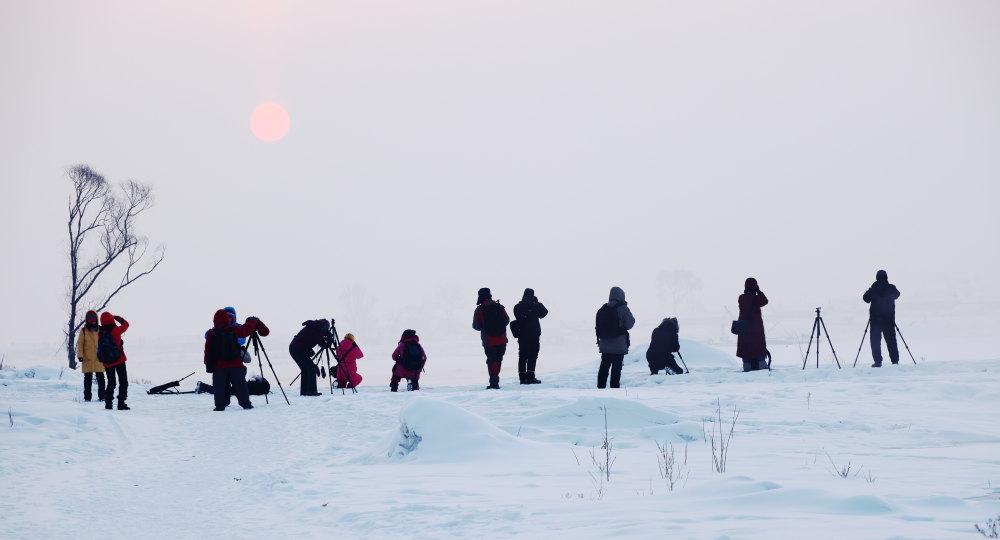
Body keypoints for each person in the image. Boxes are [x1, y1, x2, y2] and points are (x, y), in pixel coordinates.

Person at [204, 309, 269, 411]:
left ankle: (220, 406)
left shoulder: (211, 333)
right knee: (240, 385)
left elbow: (207, 350)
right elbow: (245, 331)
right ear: (226, 319)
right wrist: (252, 321)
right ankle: (246, 404)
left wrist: (207, 364)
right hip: (236, 364)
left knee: (219, 386)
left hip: (219, 365)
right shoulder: (233, 329)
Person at [595, 286, 636, 388]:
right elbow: (630, 324)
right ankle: (614, 388)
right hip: (618, 345)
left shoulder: (603, 309)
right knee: (616, 368)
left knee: (604, 366)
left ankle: (600, 387)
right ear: (622, 296)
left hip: (605, 344)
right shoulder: (622, 308)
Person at [472, 287, 510, 389]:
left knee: (491, 360)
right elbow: (507, 320)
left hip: (489, 341)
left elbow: (476, 326)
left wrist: (485, 326)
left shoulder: (479, 310)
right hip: (502, 339)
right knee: (498, 360)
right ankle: (495, 379)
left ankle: (494, 382)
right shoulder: (500, 307)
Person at [863, 269, 901, 367]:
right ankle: (895, 361)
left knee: (875, 341)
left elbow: (865, 298)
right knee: (891, 341)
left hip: (876, 321)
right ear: (887, 277)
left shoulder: (874, 289)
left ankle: (878, 361)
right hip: (889, 319)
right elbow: (897, 294)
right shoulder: (891, 288)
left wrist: (872, 289)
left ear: (876, 278)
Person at [512, 288, 548, 385]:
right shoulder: (535, 306)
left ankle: (522, 378)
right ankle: (531, 377)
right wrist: (537, 302)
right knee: (532, 356)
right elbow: (544, 313)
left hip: (522, 335)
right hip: (534, 335)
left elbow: (517, 316)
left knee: (522, 356)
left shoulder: (517, 307)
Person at [288, 319, 333, 396]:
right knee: (311, 368)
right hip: (298, 350)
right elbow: (324, 345)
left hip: (293, 348)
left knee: (305, 369)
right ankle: (311, 392)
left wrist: (326, 334)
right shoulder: (317, 332)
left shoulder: (313, 327)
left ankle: (304, 392)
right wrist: (330, 339)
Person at [97, 312, 130, 410]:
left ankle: (108, 403)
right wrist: (117, 318)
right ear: (111, 319)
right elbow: (126, 324)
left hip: (107, 362)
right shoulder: (116, 330)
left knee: (111, 382)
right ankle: (121, 403)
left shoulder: (100, 333)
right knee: (123, 382)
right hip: (119, 360)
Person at [736, 278, 769, 372]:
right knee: (758, 346)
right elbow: (765, 301)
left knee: (745, 347)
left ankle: (747, 366)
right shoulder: (756, 298)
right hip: (756, 328)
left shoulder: (741, 298)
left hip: (744, 327)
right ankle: (761, 364)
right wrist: (759, 291)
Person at [75, 310, 106, 402]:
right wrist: (80, 355)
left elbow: (105, 342)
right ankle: (87, 397)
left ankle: (102, 396)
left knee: (101, 378)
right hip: (87, 358)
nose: (92, 320)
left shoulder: (101, 329)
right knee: (87, 379)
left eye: (93, 318)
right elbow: (80, 343)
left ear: (96, 319)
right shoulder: (83, 330)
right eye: (89, 318)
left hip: (99, 358)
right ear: (86, 320)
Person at [195, 376, 270, 397]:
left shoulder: (253, 387)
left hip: (240, 388)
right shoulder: (256, 387)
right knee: (222, 390)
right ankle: (202, 386)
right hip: (241, 388)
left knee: (222, 391)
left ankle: (202, 386)